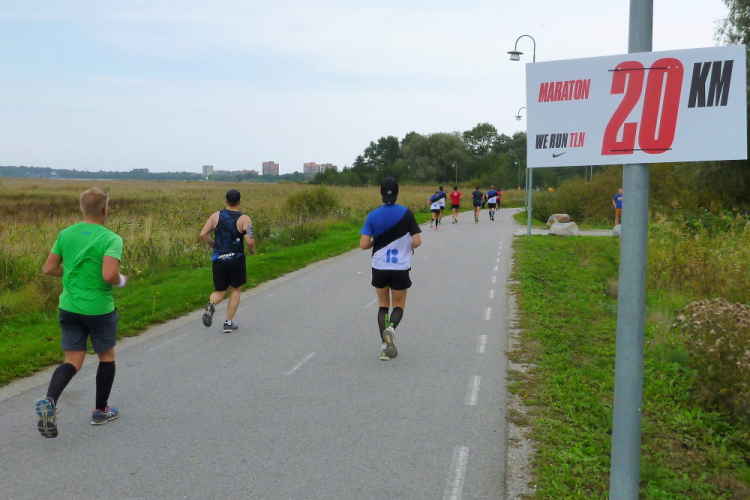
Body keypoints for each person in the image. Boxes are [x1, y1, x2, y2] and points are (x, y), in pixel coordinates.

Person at [36, 189, 126, 438]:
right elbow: (109, 275)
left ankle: (50, 401)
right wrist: (122, 281)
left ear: (81, 208)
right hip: (98, 308)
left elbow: (49, 269)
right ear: (105, 209)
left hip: (69, 306)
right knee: (106, 357)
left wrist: (69, 274)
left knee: (72, 361)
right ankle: (100, 410)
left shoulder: (66, 234)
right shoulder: (111, 239)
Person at [360, 177, 422, 360]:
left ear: (380, 192)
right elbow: (417, 241)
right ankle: (391, 328)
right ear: (398, 192)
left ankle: (384, 348)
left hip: (379, 267)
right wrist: (408, 247)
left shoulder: (372, 216)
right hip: (400, 267)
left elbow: (364, 244)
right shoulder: (407, 213)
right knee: (398, 305)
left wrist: (375, 242)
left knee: (383, 305)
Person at [200, 189, 256, 333]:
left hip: (219, 258)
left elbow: (203, 234)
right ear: (239, 201)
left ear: (226, 201)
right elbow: (250, 241)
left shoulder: (215, 216)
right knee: (235, 289)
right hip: (236, 259)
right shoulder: (244, 219)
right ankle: (228, 323)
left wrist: (215, 245)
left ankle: (211, 304)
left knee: (220, 291)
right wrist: (252, 251)